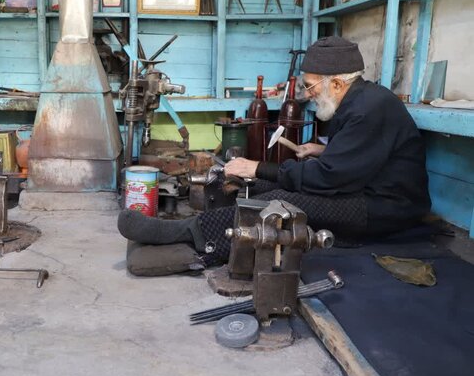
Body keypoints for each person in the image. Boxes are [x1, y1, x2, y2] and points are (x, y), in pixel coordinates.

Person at [119, 36, 431, 264]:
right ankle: (210, 229)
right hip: (366, 191)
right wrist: (326, 153)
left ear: (336, 84)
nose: (307, 95)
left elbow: (327, 180)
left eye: (310, 87)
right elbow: (368, 156)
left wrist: (254, 166)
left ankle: (190, 234)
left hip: (385, 209)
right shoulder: (362, 102)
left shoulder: (367, 110)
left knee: (281, 203)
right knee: (266, 187)